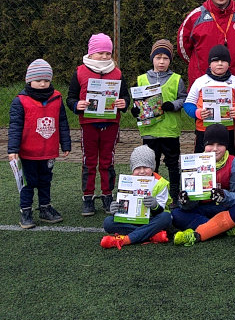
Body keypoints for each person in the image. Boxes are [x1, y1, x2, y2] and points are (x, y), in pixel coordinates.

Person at [66, 33, 130, 217]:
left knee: (107, 161)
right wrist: (76, 105)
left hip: (111, 124)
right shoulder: (80, 72)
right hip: (88, 124)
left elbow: (125, 96)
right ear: (91, 53)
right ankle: (88, 197)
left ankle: (107, 195)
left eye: (107, 53)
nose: (104, 56)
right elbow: (71, 97)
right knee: (89, 161)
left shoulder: (117, 73)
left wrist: (123, 103)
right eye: (100, 52)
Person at [8, 59, 71, 229]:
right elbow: (15, 127)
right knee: (28, 183)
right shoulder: (20, 101)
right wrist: (13, 149)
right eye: (38, 80)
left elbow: (62, 122)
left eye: (46, 80)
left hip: (48, 151)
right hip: (28, 153)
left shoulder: (57, 98)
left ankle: (45, 208)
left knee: (45, 181)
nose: (43, 84)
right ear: (29, 80)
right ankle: (26, 211)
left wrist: (65, 144)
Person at [172, 123, 235, 246]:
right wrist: (186, 201)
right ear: (204, 145)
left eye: (220, 145)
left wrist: (224, 195)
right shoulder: (192, 162)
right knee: (176, 214)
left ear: (226, 146)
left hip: (223, 208)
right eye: (211, 144)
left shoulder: (234, 162)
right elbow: (186, 206)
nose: (215, 149)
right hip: (200, 208)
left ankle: (203, 231)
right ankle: (224, 228)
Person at [130, 39, 187, 197]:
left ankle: (174, 193)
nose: (161, 61)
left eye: (166, 58)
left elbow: (184, 98)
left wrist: (173, 105)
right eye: (158, 57)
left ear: (170, 60)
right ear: (152, 58)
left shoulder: (177, 79)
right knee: (150, 165)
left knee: (173, 164)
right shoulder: (141, 79)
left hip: (169, 131)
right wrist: (135, 110)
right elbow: (137, 102)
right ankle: (151, 193)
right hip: (150, 131)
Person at [100, 145, 172, 249]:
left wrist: (155, 206)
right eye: (137, 168)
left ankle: (126, 240)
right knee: (108, 222)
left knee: (166, 217)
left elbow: (161, 211)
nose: (142, 172)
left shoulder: (160, 183)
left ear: (153, 167)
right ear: (132, 169)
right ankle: (152, 235)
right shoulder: (127, 181)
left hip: (152, 220)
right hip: (133, 221)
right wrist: (115, 209)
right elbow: (122, 209)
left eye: (146, 167)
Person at [184, 44, 235, 154]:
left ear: (229, 64)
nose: (220, 63)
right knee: (203, 158)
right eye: (216, 61)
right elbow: (188, 104)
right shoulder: (200, 81)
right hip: (204, 129)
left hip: (227, 129)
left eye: (223, 61)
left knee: (228, 157)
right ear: (209, 64)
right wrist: (197, 113)